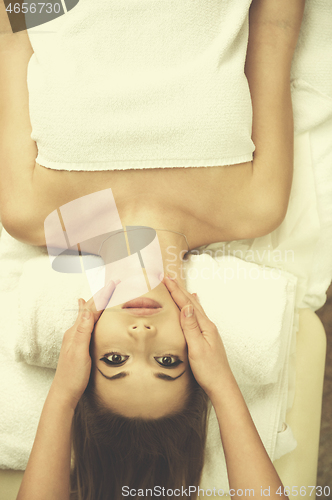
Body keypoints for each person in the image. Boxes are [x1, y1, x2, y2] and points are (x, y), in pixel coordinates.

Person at [0, 0, 305, 498]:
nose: (141, 336)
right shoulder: (253, 207)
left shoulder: (35, 215)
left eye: (114, 360)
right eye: (168, 364)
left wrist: (61, 397)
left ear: (83, 350)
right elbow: (272, 29)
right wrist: (224, 391)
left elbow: (13, 34)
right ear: (201, 351)